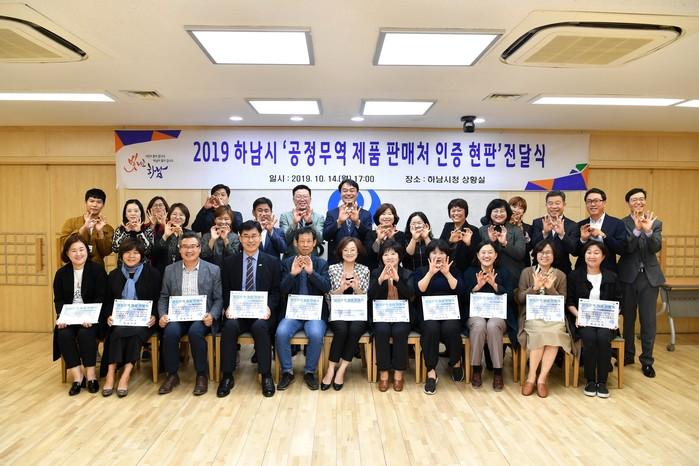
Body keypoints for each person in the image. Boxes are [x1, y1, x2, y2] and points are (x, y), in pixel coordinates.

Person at [218, 221, 280, 398]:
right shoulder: (230, 262)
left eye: (254, 236)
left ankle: (266, 375)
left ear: (260, 237)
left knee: (261, 327)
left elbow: (276, 291)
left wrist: (269, 307)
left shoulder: (272, 262)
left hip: (262, 313)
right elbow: (225, 290)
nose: (250, 240)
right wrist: (227, 307)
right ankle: (227, 376)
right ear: (240, 238)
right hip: (237, 312)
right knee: (229, 327)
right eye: (246, 236)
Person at [157, 232, 223, 396]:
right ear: (179, 249)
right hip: (177, 316)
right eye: (185, 247)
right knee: (170, 332)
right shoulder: (170, 270)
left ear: (200, 248)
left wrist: (212, 315)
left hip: (202, 317)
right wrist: (162, 314)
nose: (189, 250)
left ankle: (201, 374)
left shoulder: (213, 270)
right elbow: (163, 297)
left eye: (193, 246)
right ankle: (172, 375)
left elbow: (218, 299)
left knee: (195, 332)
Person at [101, 239, 161, 397]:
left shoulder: (153, 274)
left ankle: (125, 374)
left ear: (142, 255)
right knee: (117, 332)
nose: (131, 256)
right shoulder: (113, 275)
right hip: (120, 319)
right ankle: (111, 373)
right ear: (121, 255)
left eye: (135, 253)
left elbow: (159, 299)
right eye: (127, 252)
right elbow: (107, 302)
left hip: (144, 320)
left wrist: (155, 315)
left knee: (134, 334)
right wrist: (108, 316)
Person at [275, 227, 332, 391]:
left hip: (315, 313)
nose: (305, 245)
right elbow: (282, 289)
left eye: (309, 241)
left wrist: (311, 273)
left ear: (314, 243)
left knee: (315, 334)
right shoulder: (287, 263)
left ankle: (309, 372)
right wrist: (292, 274)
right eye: (302, 241)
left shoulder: (321, 263)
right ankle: (287, 372)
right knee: (281, 332)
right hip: (292, 313)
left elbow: (326, 287)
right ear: (295, 243)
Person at [52, 234, 108, 395]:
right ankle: (78, 377)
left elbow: (101, 297)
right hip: (70, 317)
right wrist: (61, 317)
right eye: (73, 250)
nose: (78, 254)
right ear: (67, 253)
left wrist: (91, 317)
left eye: (81, 249)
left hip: (92, 317)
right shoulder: (61, 274)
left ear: (87, 251)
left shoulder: (97, 270)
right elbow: (59, 300)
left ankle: (91, 376)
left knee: (86, 333)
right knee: (63, 333)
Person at [566, 241, 622, 398]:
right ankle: (590, 380)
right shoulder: (574, 276)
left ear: (603, 257)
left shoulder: (612, 276)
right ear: (584, 255)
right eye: (589, 252)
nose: (592, 256)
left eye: (596, 252)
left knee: (603, 337)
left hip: (605, 322)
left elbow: (619, 301)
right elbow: (569, 301)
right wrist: (578, 315)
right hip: (583, 320)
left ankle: (602, 381)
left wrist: (614, 317)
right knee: (589, 337)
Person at [618, 188, 665, 377]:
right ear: (628, 203)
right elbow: (626, 249)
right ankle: (628, 354)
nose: (638, 202)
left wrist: (648, 231)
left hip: (649, 278)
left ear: (645, 201)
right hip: (628, 277)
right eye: (634, 199)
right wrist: (637, 231)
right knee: (628, 318)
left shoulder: (656, 222)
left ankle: (647, 360)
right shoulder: (622, 224)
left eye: (641, 199)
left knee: (648, 321)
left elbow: (656, 247)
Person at [516, 240, 571, 398]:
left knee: (555, 334)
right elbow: (519, 298)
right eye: (541, 252)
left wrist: (550, 289)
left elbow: (563, 301)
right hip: (532, 316)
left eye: (548, 252)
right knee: (539, 333)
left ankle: (541, 379)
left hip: (554, 318)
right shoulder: (527, 272)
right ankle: (531, 377)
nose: (544, 255)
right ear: (535, 254)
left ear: (554, 256)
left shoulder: (560, 275)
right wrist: (534, 288)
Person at [464, 242, 517, 391]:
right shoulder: (470, 272)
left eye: (490, 252)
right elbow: (462, 298)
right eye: (483, 252)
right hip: (476, 315)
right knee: (479, 325)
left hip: (498, 315)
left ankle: (498, 372)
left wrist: (495, 286)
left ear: (496, 255)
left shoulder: (504, 272)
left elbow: (511, 297)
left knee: (493, 325)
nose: (486, 255)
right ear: (477, 255)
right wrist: (477, 287)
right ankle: (476, 369)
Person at [414, 239, 465, 395]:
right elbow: (419, 290)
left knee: (451, 328)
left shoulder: (454, 270)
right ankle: (431, 371)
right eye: (434, 252)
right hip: (428, 313)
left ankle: (456, 362)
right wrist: (431, 273)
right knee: (431, 328)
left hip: (450, 312)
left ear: (447, 255)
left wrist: (446, 273)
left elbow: (460, 290)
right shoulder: (421, 270)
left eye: (442, 252)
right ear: (428, 255)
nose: (438, 256)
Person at [321, 237, 370, 391]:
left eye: (352, 250)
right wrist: (340, 290)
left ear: (358, 252)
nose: (349, 253)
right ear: (341, 251)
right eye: (346, 250)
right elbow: (328, 296)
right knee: (341, 330)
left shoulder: (364, 270)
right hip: (338, 312)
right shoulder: (332, 269)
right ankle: (331, 369)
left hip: (357, 313)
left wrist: (357, 288)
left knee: (354, 330)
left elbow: (366, 297)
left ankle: (341, 369)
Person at [368, 239, 415, 392]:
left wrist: (398, 280)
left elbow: (411, 296)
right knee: (381, 331)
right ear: (381, 257)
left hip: (401, 315)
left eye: (393, 254)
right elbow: (370, 296)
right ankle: (383, 373)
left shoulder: (407, 273)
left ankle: (398, 374)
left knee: (399, 332)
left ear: (399, 256)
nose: (389, 257)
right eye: (386, 254)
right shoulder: (376, 273)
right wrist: (380, 280)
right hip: (381, 315)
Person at [59, 188, 114, 268]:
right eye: (91, 201)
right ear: (86, 202)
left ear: (103, 205)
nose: (94, 205)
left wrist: (100, 231)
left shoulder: (108, 228)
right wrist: (84, 227)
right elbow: (64, 244)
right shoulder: (71, 222)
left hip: (97, 269)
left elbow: (106, 252)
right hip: (74, 267)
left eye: (99, 202)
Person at [323, 179, 372, 264]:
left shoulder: (365, 214)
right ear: (340, 193)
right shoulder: (332, 213)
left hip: (359, 261)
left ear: (357, 193)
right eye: (345, 191)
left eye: (352, 191)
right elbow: (326, 236)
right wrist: (339, 222)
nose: (348, 193)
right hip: (336, 261)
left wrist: (357, 222)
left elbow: (369, 237)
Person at [576, 188, 626, 272]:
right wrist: (583, 240)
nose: (592, 204)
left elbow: (621, 249)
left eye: (596, 201)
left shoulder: (617, 223)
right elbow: (575, 252)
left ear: (604, 203)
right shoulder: (580, 225)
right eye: (589, 201)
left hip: (608, 271)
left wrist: (604, 236)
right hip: (583, 271)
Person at [530, 190, 579, 275]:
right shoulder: (538, 222)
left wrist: (562, 235)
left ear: (564, 204)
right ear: (546, 205)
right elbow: (533, 246)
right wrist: (544, 233)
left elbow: (574, 251)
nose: (553, 206)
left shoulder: (572, 225)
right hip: (539, 271)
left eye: (557, 203)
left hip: (563, 271)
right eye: (550, 203)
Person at [479, 198, 526, 281]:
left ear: (507, 213)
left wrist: (505, 243)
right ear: (490, 213)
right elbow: (478, 254)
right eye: (496, 211)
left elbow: (520, 254)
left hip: (510, 275)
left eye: (502, 211)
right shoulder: (482, 230)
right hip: (487, 275)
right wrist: (491, 242)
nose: (499, 214)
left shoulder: (516, 230)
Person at [279, 184, 324, 258]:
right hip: (290, 259)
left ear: (310, 199)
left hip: (312, 259)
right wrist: (294, 223)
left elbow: (319, 240)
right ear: (293, 199)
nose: (302, 199)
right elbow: (284, 241)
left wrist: (309, 223)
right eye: (298, 196)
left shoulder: (319, 217)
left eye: (305, 196)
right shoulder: (285, 216)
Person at [439, 198, 481, 272]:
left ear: (465, 212)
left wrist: (468, 244)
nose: (456, 213)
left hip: (464, 270)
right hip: (446, 268)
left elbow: (477, 255)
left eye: (459, 210)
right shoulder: (447, 226)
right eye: (453, 211)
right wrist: (450, 241)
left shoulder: (473, 230)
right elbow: (439, 248)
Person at [151, 203, 192, 276]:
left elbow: (192, 255)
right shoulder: (161, 233)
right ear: (169, 216)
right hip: (163, 273)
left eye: (181, 215)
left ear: (186, 218)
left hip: (184, 273)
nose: (177, 217)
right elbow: (154, 255)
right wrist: (165, 236)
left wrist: (181, 237)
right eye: (174, 214)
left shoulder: (190, 234)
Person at [364, 203, 406, 271]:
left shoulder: (400, 235)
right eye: (383, 214)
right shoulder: (370, 234)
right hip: (374, 271)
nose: (386, 217)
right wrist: (378, 239)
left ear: (394, 217)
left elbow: (401, 256)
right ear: (378, 217)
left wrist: (391, 238)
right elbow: (369, 255)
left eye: (389, 214)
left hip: (395, 271)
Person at [509, 196, 532, 268]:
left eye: (520, 208)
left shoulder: (528, 228)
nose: (516, 210)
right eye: (514, 206)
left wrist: (521, 231)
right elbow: (484, 220)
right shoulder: (502, 224)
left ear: (523, 212)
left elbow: (529, 248)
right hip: (506, 263)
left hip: (523, 264)